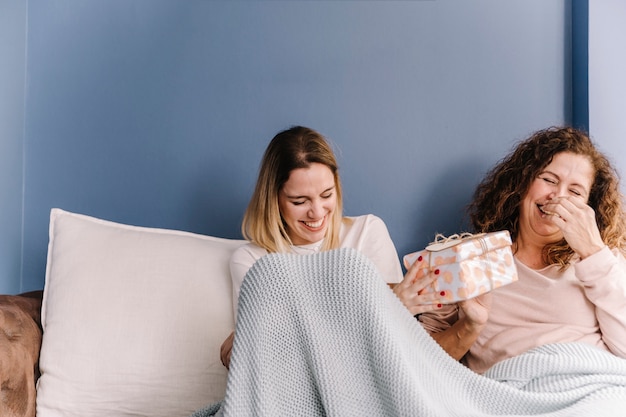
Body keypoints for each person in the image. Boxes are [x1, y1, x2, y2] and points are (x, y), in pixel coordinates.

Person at [220, 125, 444, 368]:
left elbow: (394, 344)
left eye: (326, 195)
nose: (317, 212)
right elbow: (273, 358)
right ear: (274, 200)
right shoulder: (253, 261)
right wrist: (384, 308)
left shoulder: (366, 232)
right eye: (300, 201)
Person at [411, 126, 626, 374]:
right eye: (548, 180)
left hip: (591, 388)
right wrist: (470, 326)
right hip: (509, 395)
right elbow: (422, 363)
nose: (558, 196)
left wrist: (593, 254)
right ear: (522, 184)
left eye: (575, 192)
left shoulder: (605, 263)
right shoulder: (472, 258)